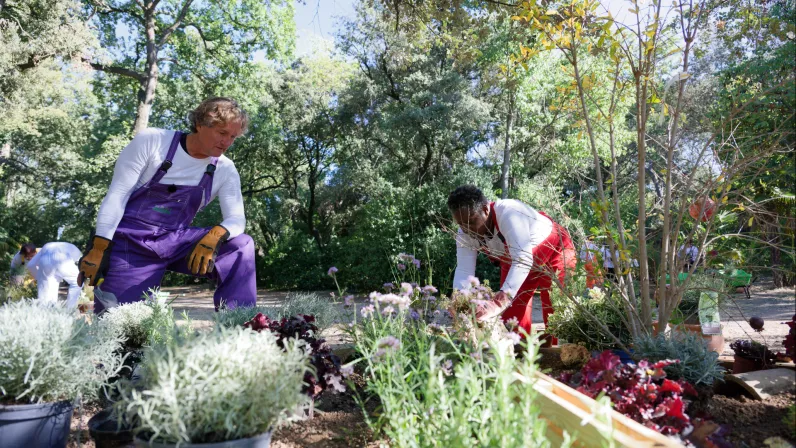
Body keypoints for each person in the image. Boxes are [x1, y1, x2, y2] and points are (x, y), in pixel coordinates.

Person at [77, 97, 257, 314]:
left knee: (240, 245)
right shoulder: (153, 140)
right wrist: (99, 247)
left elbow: (237, 218)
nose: (227, 142)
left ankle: (239, 325)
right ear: (200, 124)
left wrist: (215, 235)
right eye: (222, 133)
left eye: (233, 137)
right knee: (122, 323)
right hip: (129, 244)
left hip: (175, 241)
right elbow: (117, 195)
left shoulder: (225, 169)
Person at [448, 185, 576, 345]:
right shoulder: (464, 233)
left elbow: (523, 258)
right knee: (511, 318)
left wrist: (497, 302)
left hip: (555, 248)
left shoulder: (509, 213)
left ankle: (562, 353)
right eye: (461, 224)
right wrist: (459, 302)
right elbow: (464, 270)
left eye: (472, 221)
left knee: (557, 311)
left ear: (485, 209)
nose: (468, 230)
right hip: (517, 259)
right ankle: (518, 355)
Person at [10, 242, 83, 308]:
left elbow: (31, 265)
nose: (28, 258)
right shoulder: (75, 251)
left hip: (45, 263)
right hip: (63, 260)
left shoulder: (44, 248)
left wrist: (39, 278)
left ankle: (46, 311)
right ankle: (70, 309)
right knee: (77, 282)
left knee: (46, 299)